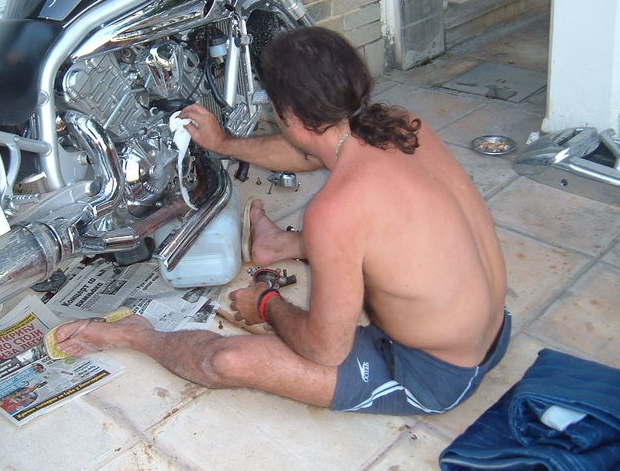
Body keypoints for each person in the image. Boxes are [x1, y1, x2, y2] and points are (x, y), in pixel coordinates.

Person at [54, 26, 509, 415]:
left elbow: (325, 349)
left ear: (287, 114)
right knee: (360, 233)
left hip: (435, 373)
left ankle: (137, 336)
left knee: (224, 362)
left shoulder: (335, 210)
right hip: (489, 331)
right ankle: (280, 246)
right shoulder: (401, 126)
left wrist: (267, 303)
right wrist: (223, 143)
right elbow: (312, 151)